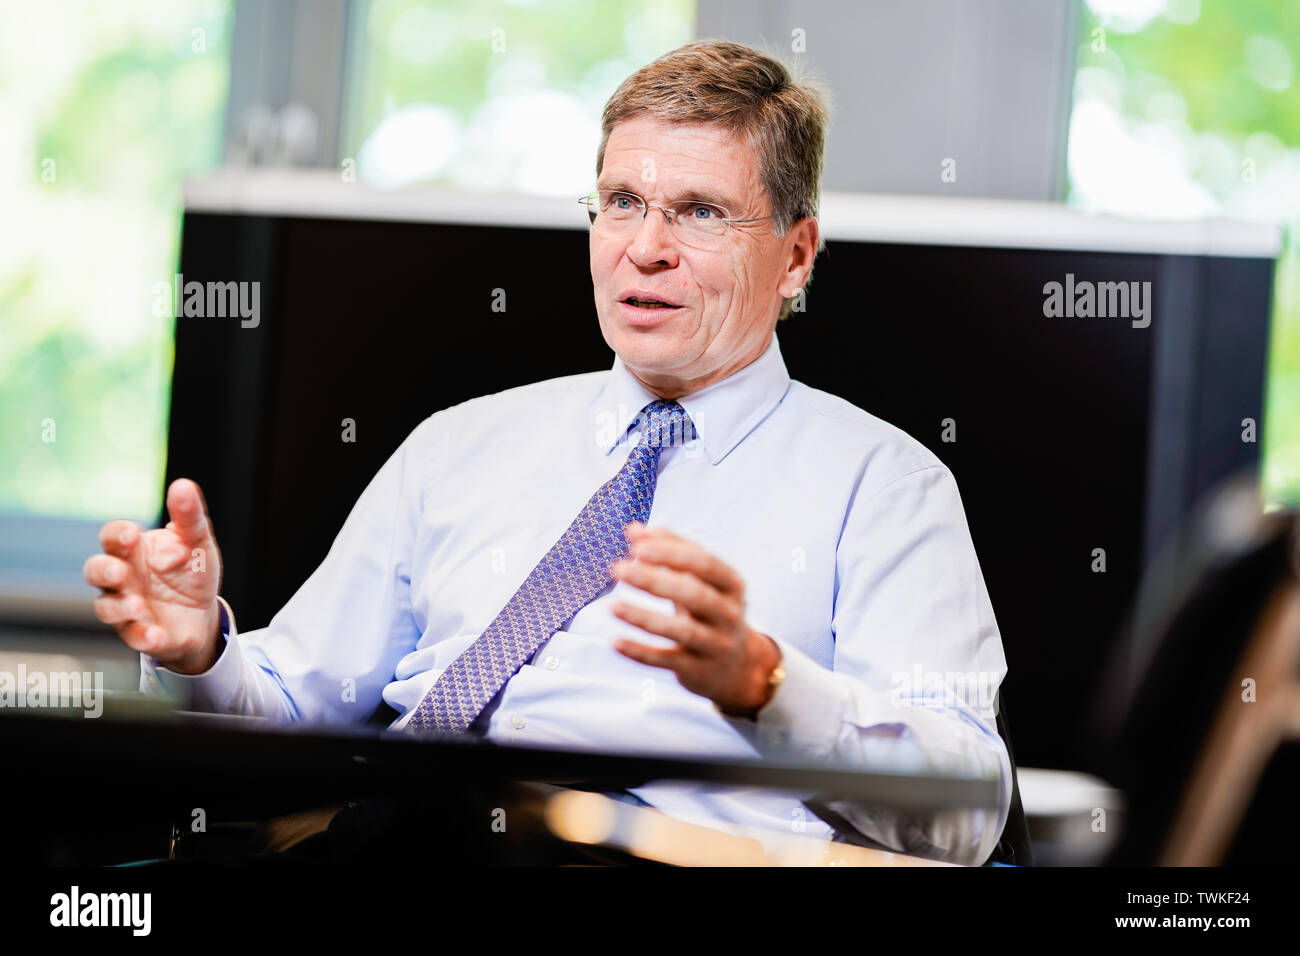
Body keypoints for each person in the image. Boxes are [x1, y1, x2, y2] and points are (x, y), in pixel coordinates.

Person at [83, 39, 1011, 865]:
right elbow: (293, 706)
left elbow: (966, 811)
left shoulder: (885, 486)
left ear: (797, 256)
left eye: (698, 213)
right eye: (622, 202)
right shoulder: (459, 444)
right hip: (389, 843)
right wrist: (201, 646)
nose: (645, 248)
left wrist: (767, 684)